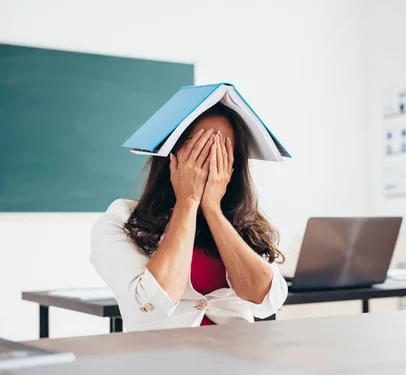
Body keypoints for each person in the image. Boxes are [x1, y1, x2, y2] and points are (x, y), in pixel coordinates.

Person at [90, 103, 287, 331]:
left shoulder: (246, 223)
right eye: (200, 148)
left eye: (222, 150)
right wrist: (188, 200)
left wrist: (212, 208)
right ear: (171, 155)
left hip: (236, 356)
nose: (210, 160)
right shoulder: (122, 219)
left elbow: (267, 300)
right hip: (164, 360)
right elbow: (151, 303)